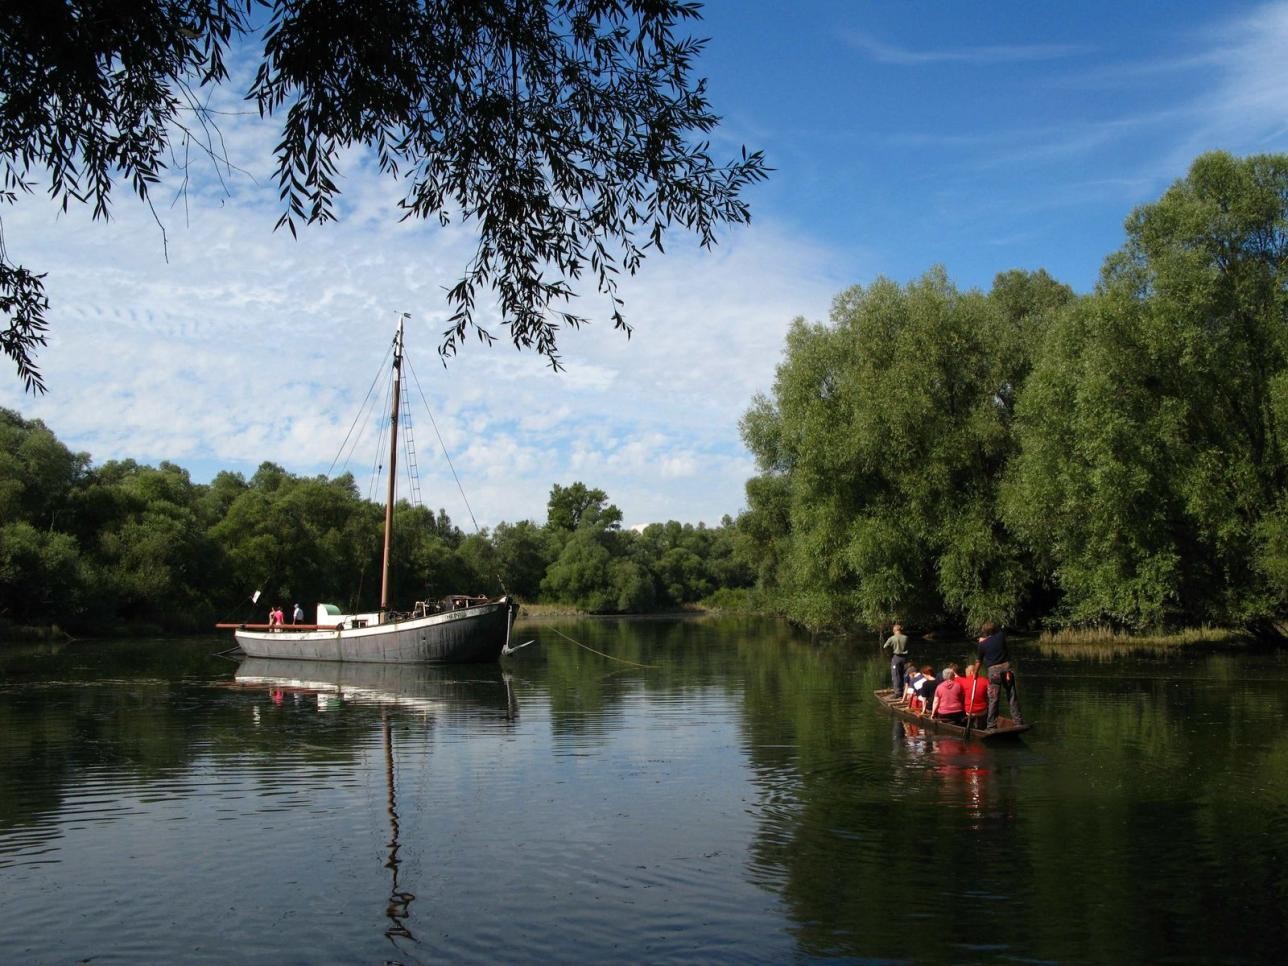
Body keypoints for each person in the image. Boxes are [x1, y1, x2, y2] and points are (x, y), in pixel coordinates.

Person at [974, 621, 1024, 729]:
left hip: (994, 672)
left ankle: (991, 725)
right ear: (995, 630)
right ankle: (1018, 721)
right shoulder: (1001, 636)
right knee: (1011, 695)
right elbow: (999, 632)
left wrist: (975, 673)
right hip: (1006, 669)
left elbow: (978, 661)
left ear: (985, 633)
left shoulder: (982, 645)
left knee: (993, 699)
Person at [882, 622, 910, 699]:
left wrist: (889, 654)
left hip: (896, 658)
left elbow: (885, 647)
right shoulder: (906, 637)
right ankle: (905, 691)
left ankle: (898, 693)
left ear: (894, 630)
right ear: (900, 630)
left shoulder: (892, 638)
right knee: (905, 674)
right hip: (905, 658)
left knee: (896, 675)